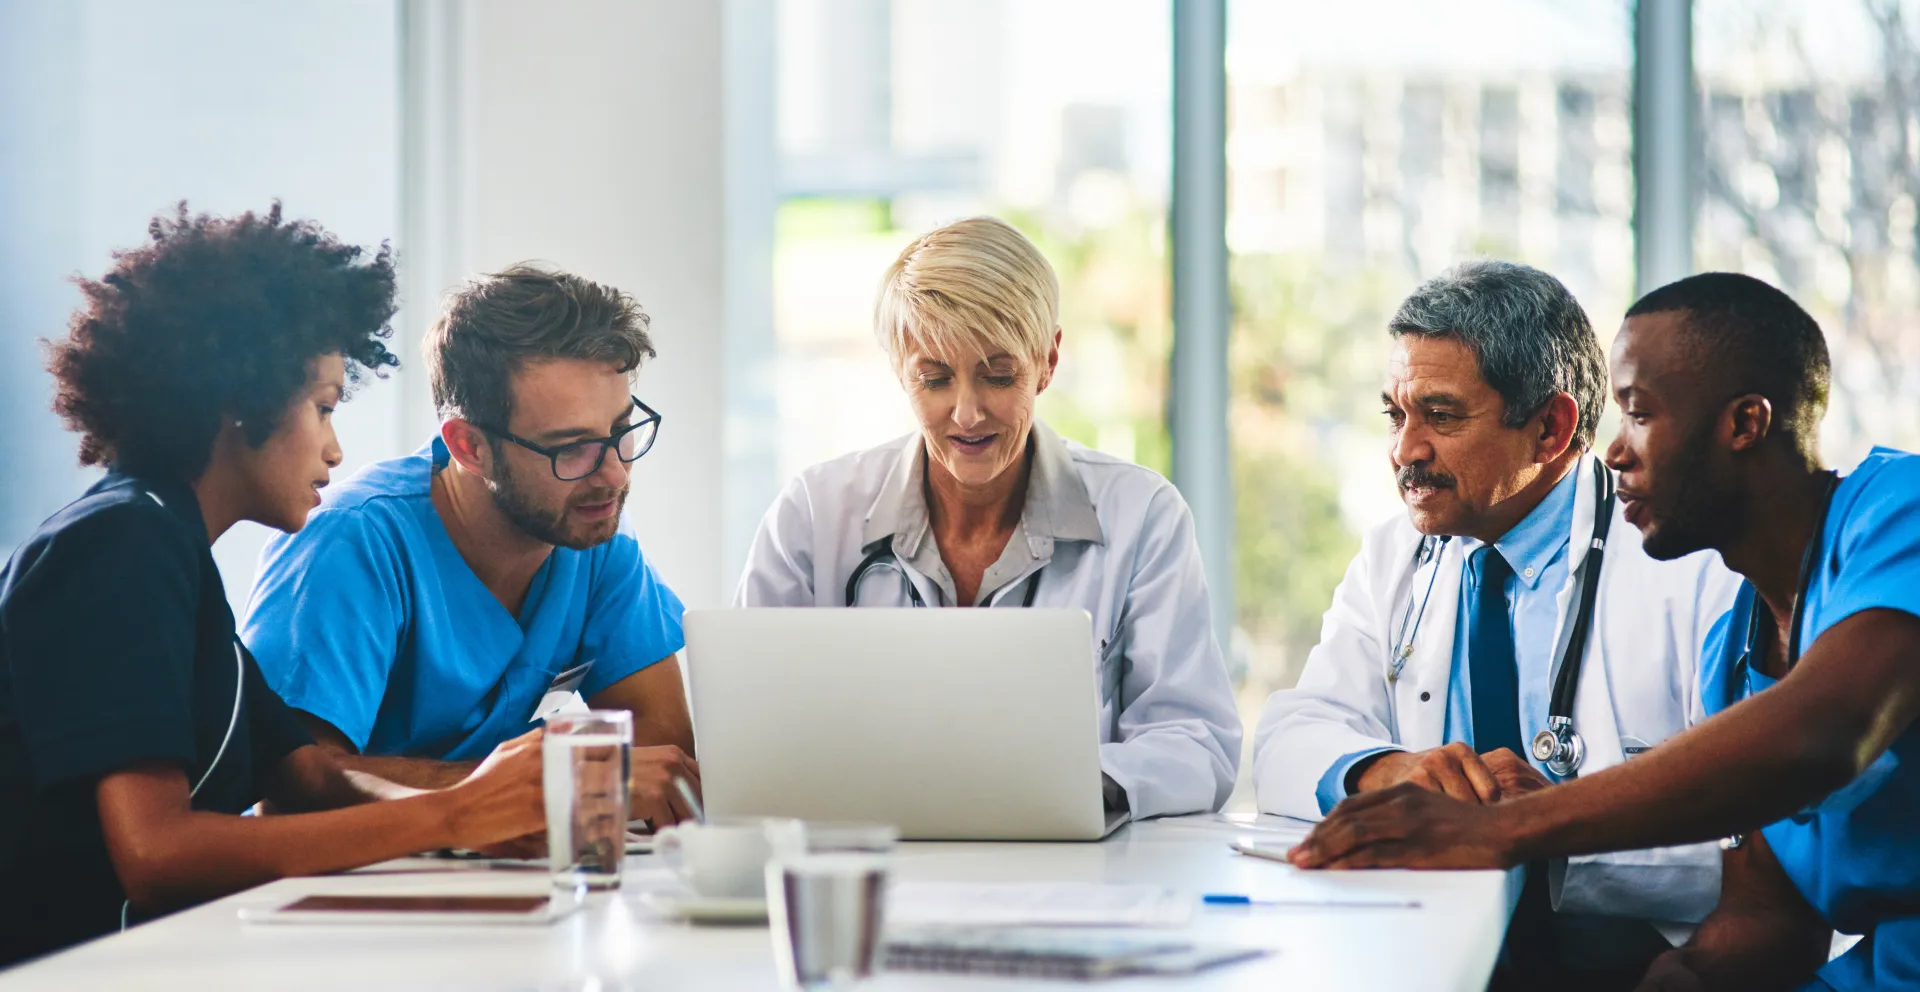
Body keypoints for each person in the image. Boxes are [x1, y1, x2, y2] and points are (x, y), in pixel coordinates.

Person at [1288, 273, 1920, 992]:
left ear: (1744, 424)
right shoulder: (1736, 652)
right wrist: (1681, 975)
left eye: (1639, 415)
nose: (1614, 452)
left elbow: (1825, 734)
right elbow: (1768, 911)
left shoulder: (1901, 513)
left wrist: (1503, 829)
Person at [0, 205, 547, 968]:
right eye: (323, 407)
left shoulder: (175, 554)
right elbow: (156, 853)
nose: (335, 446)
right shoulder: (118, 543)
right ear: (241, 402)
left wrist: (508, 801)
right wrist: (452, 815)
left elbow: (310, 773)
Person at [1252, 260, 1740, 986]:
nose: (1404, 450)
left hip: (1640, 963)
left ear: (1551, 428)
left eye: (1442, 417)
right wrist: (1390, 772)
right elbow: (1288, 738)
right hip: (1434, 950)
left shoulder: (1693, 566)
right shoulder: (1396, 554)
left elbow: (1753, 842)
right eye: (1396, 413)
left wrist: (1556, 826)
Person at [736, 216, 1240, 819]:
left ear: (1048, 361)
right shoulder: (813, 516)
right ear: (901, 369)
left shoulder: (1142, 517)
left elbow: (1197, 742)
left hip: (1070, 878)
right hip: (869, 866)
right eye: (935, 379)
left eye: (999, 376)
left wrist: (1056, 785)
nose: (968, 413)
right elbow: (749, 729)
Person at [242, 263, 699, 826]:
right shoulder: (352, 544)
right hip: (349, 894)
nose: (615, 476)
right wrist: (534, 788)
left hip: (506, 884)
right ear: (469, 446)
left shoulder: (594, 544)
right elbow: (289, 783)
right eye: (571, 448)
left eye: (621, 432)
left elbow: (663, 762)